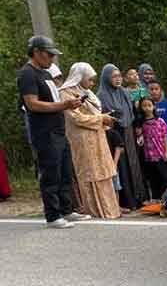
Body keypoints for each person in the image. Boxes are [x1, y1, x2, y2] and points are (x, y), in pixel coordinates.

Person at [16, 36, 92, 228]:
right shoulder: (27, 74)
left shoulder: (46, 73)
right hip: (44, 132)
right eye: (49, 54)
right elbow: (32, 103)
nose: (52, 59)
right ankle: (52, 215)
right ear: (36, 52)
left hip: (59, 130)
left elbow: (54, 99)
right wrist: (63, 104)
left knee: (65, 171)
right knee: (50, 173)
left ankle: (66, 209)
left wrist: (70, 101)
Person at [58, 62, 120, 219]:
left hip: (97, 135)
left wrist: (105, 119)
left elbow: (95, 112)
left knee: (103, 172)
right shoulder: (66, 93)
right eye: (90, 79)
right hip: (82, 138)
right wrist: (101, 118)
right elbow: (75, 117)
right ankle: (96, 211)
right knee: (90, 174)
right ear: (79, 77)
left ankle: (110, 210)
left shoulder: (88, 93)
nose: (92, 83)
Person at [98, 63, 149, 208]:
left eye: (119, 76)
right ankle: (125, 201)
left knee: (134, 164)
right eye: (114, 76)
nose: (118, 79)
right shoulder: (102, 95)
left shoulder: (124, 92)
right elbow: (107, 116)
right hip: (114, 134)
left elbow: (130, 112)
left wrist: (136, 127)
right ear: (106, 78)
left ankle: (138, 198)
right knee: (121, 166)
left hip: (129, 131)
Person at [136, 96, 167, 201]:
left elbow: (165, 136)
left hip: (160, 154)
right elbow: (139, 139)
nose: (147, 108)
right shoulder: (141, 123)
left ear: (154, 106)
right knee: (153, 178)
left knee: (165, 177)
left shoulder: (160, 121)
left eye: (149, 105)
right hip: (148, 156)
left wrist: (166, 152)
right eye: (144, 106)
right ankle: (156, 200)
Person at [147, 80, 167, 153]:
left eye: (156, 89)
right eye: (151, 89)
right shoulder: (147, 105)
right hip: (154, 142)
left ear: (161, 90)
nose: (154, 91)